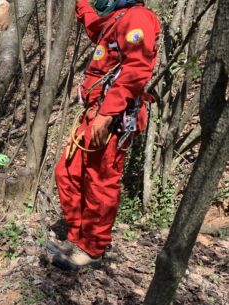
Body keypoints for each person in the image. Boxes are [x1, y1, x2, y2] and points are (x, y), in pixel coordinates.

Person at [49, 0, 160, 270]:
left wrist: (106, 114)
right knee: (67, 173)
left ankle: (93, 248)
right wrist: (82, 5)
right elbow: (95, 27)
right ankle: (78, 237)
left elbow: (137, 69)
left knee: (100, 182)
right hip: (94, 114)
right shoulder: (115, 20)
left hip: (112, 118)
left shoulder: (139, 17)